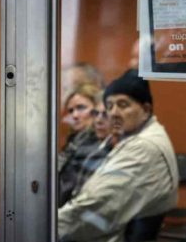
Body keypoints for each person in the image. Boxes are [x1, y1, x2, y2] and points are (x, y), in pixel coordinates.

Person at [58, 70, 178, 242]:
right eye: (110, 106)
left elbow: (93, 209)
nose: (113, 113)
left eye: (123, 105)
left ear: (146, 109)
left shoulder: (142, 147)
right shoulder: (137, 137)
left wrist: (42, 228)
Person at [59, 83, 106, 205]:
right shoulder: (75, 142)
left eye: (81, 108)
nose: (74, 115)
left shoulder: (96, 144)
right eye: (71, 111)